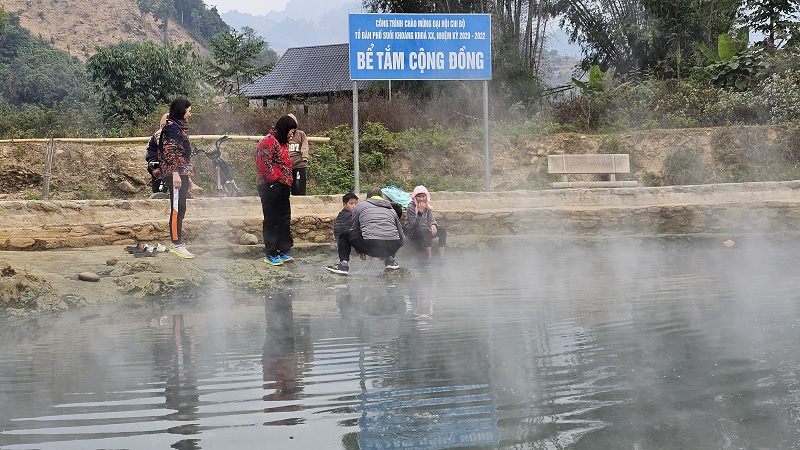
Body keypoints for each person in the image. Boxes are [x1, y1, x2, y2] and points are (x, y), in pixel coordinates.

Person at [326, 187, 404, 275]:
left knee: (345, 235)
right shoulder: (391, 208)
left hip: (370, 245)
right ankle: (390, 261)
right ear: (382, 197)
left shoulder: (360, 206)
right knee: (386, 234)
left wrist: (360, 250)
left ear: (367, 198)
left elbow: (354, 230)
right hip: (392, 246)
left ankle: (343, 266)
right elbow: (401, 235)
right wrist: (390, 251)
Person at [158, 97, 197, 259]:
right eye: (189, 111)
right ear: (182, 110)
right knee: (176, 208)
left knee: (181, 208)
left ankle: (178, 241)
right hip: (175, 174)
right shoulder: (171, 128)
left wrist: (189, 178)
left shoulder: (179, 127)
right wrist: (174, 172)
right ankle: (176, 244)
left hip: (181, 174)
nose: (190, 114)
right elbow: (169, 151)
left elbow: (183, 154)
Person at [256, 115, 297, 266]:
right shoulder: (268, 141)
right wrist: (275, 178)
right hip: (270, 186)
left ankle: (284, 249)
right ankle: (271, 253)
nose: (292, 135)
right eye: (291, 131)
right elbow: (263, 163)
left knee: (284, 218)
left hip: (284, 185)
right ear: (284, 129)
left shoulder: (283, 143)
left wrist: (286, 180)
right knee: (272, 219)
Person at [404, 185, 446, 258]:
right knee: (425, 230)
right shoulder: (411, 207)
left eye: (423, 196)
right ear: (415, 197)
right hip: (414, 232)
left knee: (442, 230)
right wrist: (420, 212)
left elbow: (431, 219)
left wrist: (433, 225)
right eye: (419, 196)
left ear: (426, 197)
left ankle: (441, 256)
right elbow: (414, 225)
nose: (421, 199)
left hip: (425, 230)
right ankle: (429, 256)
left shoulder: (427, 206)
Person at [286, 114, 310, 196]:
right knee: (288, 187)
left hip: (299, 164)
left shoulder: (301, 134)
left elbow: (305, 146)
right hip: (287, 165)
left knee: (299, 187)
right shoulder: (284, 135)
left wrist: (304, 157)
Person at [145, 113, 169, 194]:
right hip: (154, 160)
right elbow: (162, 149)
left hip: (156, 159)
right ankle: (158, 193)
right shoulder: (160, 133)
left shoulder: (167, 133)